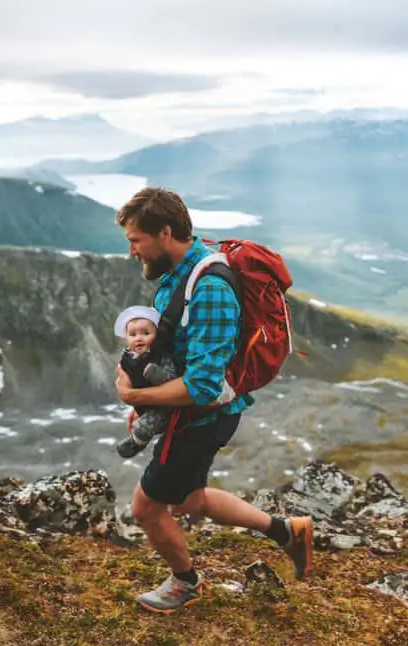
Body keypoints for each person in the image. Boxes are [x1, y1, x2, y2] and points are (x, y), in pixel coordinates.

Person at [113, 186, 313, 614]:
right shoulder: (180, 273)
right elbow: (178, 355)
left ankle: (185, 583)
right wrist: (145, 404)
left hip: (198, 418)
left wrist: (136, 394)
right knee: (189, 499)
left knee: (146, 508)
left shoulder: (209, 290)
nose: (132, 251)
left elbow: (203, 385)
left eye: (135, 240)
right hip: (189, 413)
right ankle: (287, 531)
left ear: (165, 232)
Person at [112, 305, 178, 459]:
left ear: (156, 334)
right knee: (140, 421)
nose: (139, 338)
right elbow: (124, 374)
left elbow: (171, 380)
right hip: (142, 402)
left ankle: (136, 442)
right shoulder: (128, 357)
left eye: (146, 333)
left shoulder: (160, 356)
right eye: (133, 334)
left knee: (144, 425)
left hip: (162, 405)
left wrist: (154, 373)